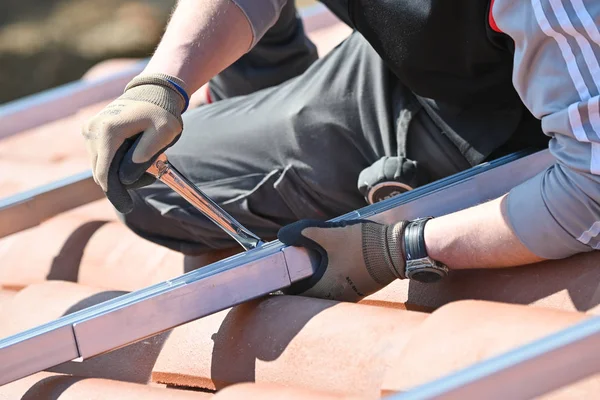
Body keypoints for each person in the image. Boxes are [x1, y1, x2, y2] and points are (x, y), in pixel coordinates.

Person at [82, 0, 600, 301]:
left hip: (489, 128)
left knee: (156, 188)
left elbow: (593, 184)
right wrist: (165, 84)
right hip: (411, 66)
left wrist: (400, 247)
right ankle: (268, 98)